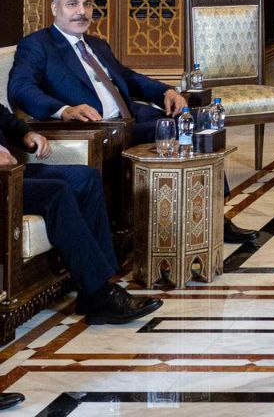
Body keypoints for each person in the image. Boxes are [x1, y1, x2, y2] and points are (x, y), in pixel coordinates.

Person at [8, 0, 258, 243]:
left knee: (201, 119)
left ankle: (215, 214)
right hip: (103, 130)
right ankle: (191, 223)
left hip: (131, 117)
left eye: (87, 4)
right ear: (54, 8)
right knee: (177, 130)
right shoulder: (38, 45)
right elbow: (20, 89)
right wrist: (64, 109)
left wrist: (166, 91)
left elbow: (128, 78)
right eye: (72, 4)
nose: (82, 11)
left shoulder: (96, 45)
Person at [0, 100, 162, 325]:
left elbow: (3, 117)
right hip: (3, 181)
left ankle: (95, 290)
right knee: (57, 193)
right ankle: (100, 293)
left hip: (12, 172)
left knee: (87, 178)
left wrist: (26, 134)